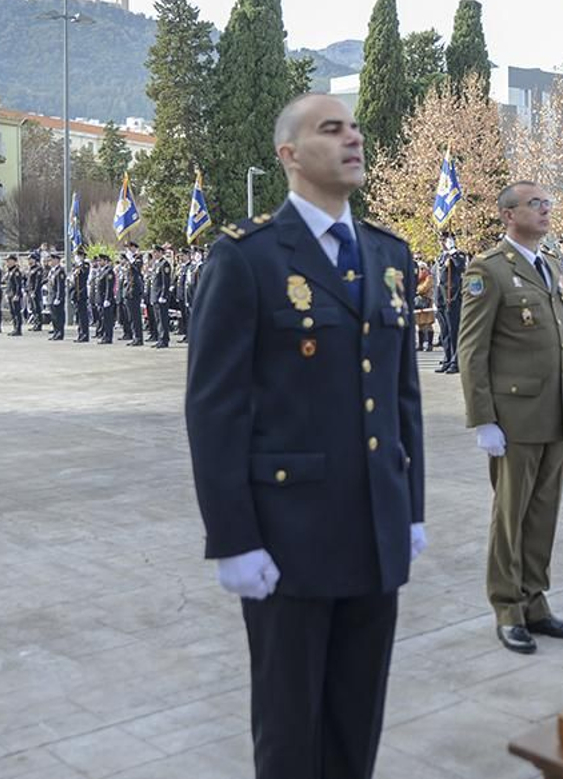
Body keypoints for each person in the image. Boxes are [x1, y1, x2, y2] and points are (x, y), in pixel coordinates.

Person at [185, 92, 426, 779]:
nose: (353, 138)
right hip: (288, 538)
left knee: (357, 724)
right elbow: (214, 410)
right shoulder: (248, 258)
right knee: (291, 734)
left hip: (375, 530)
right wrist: (233, 539)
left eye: (354, 127)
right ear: (289, 154)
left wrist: (410, 509)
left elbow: (401, 396)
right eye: (331, 128)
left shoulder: (388, 253)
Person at [457, 181, 563, 654]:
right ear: (509, 215)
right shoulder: (488, 271)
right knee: (510, 516)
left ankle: (535, 599)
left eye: (548, 203)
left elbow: (560, 341)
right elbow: (472, 350)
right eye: (535, 204)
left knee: (543, 513)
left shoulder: (549, 265)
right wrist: (483, 419)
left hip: (553, 412)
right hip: (514, 416)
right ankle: (507, 607)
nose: (546, 210)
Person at [434, 232, 468, 374]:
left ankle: (456, 360)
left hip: (452, 297)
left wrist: (453, 251)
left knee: (454, 330)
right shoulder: (441, 256)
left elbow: (461, 267)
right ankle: (447, 358)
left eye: (445, 239)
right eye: (441, 239)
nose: (442, 242)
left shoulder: (458, 255)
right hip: (441, 298)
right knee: (445, 332)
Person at [152, 244, 173, 349]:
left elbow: (166, 282)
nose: (154, 254)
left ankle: (164, 339)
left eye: (155, 252)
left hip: (161, 296)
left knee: (162, 319)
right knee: (158, 319)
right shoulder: (156, 264)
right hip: (155, 295)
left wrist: (164, 295)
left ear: (160, 252)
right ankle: (160, 338)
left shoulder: (165, 264)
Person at [94, 255, 116, 345]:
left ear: (106, 261)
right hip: (100, 298)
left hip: (106, 298)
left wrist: (107, 298)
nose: (99, 262)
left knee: (107, 319)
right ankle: (104, 336)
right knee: (103, 319)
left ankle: (108, 337)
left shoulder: (109, 271)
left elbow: (108, 287)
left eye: (101, 261)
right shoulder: (102, 271)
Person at [46, 255, 67, 342]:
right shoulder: (52, 271)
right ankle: (55, 332)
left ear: (56, 260)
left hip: (56, 297)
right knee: (54, 317)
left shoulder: (60, 271)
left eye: (51, 260)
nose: (50, 262)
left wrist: (58, 297)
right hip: (51, 296)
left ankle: (59, 333)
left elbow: (60, 286)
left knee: (59, 316)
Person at [72, 252, 91, 343]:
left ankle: (85, 335)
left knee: (83, 316)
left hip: (82, 294)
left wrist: (80, 265)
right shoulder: (77, 266)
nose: (77, 257)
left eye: (79, 256)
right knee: (79, 316)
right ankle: (80, 334)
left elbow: (84, 275)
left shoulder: (85, 265)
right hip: (77, 294)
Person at [3, 255, 24, 337]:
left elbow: (18, 285)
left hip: (15, 295)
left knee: (17, 312)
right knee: (13, 312)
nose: (7, 262)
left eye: (9, 261)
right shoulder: (9, 271)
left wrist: (17, 294)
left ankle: (18, 329)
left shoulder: (16, 272)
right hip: (10, 294)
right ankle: (15, 328)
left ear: (14, 261)